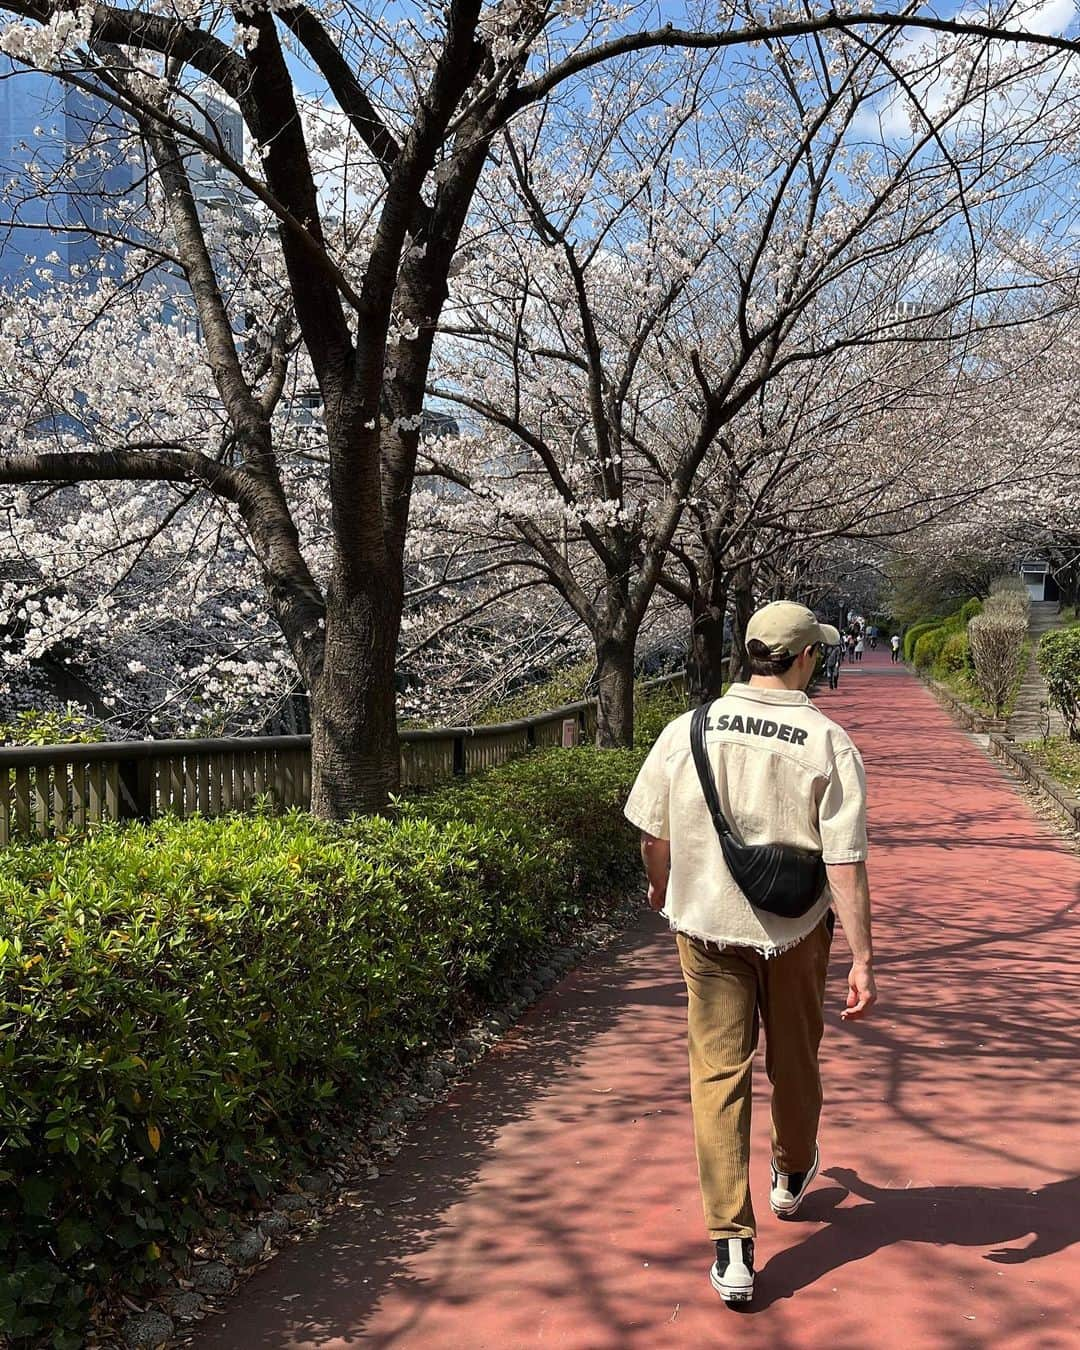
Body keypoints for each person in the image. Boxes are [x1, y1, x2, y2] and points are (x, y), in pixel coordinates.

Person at [624, 601, 877, 1306]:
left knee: (716, 1076)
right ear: (803, 659)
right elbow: (846, 861)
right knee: (795, 1059)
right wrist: (863, 957)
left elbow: (652, 832)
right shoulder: (828, 741)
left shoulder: (687, 729)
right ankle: (792, 1176)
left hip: (705, 927)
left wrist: (660, 887)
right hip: (795, 931)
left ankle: (732, 1247)